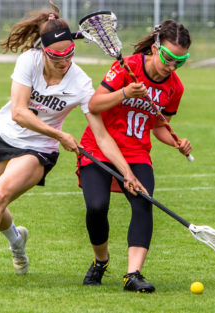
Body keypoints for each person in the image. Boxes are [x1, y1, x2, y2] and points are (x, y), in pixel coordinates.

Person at [0, 2, 146, 288]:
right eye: (56, 57)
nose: (64, 62)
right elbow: (18, 112)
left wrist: (126, 172)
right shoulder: (30, 60)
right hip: (4, 136)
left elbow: (101, 135)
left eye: (69, 55)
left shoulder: (80, 82)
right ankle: (17, 239)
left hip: (39, 149)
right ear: (44, 51)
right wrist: (61, 134)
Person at [78, 20, 193, 293]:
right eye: (168, 58)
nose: (172, 66)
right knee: (96, 207)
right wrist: (125, 92)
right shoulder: (126, 66)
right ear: (155, 49)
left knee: (143, 205)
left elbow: (158, 126)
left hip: (137, 152)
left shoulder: (174, 88)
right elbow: (93, 105)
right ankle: (101, 260)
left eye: (181, 60)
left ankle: (133, 274)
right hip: (98, 146)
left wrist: (177, 143)